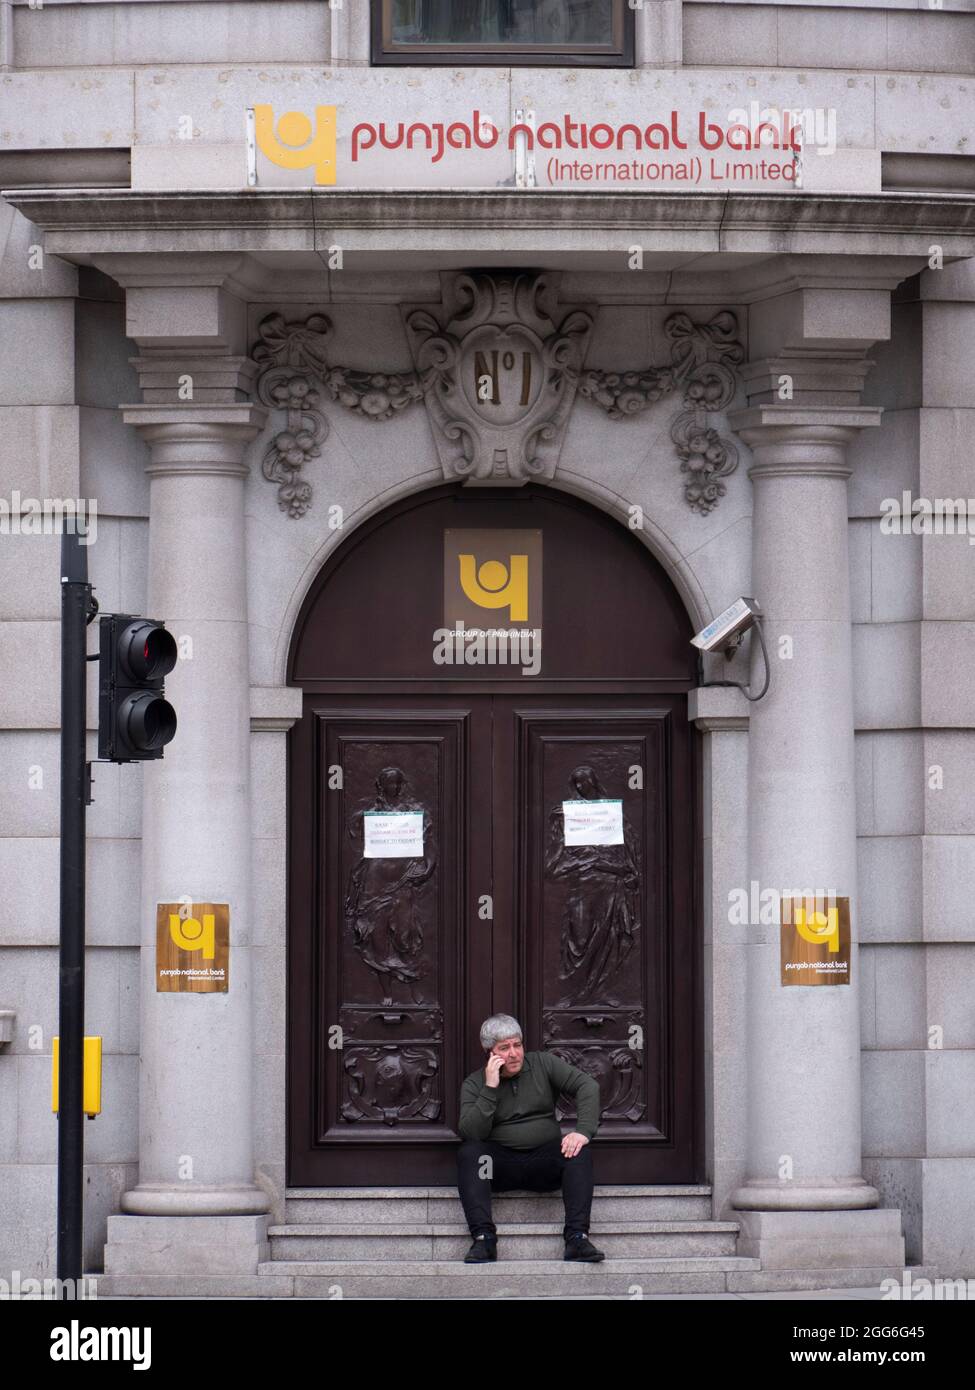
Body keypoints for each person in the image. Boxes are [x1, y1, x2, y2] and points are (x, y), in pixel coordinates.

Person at [456, 1013, 605, 1263]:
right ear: (490, 1052)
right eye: (504, 1048)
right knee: (471, 1154)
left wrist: (583, 1131)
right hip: (497, 1170)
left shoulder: (543, 1063)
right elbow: (472, 1133)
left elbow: (587, 1086)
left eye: (517, 1044)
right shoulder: (474, 1083)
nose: (514, 1053)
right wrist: (490, 1088)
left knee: (579, 1152)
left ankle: (577, 1238)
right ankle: (484, 1239)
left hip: (544, 1165)